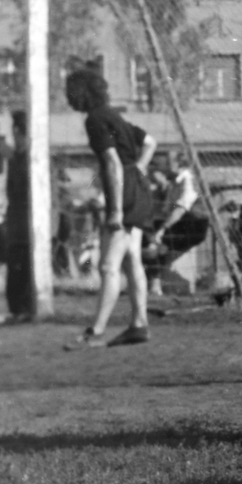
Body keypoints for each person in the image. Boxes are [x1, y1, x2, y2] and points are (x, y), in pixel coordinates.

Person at [63, 65, 156, 348]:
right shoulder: (116, 116)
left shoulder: (95, 120)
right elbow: (150, 141)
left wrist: (115, 210)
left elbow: (113, 164)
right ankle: (139, 324)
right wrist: (139, 168)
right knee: (131, 261)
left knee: (107, 266)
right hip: (138, 188)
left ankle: (97, 331)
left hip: (123, 192)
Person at [144, 150, 210, 298]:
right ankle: (154, 284)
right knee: (152, 239)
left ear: (179, 164)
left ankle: (154, 285)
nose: (163, 168)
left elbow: (179, 210)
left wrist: (161, 230)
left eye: (167, 163)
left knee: (158, 243)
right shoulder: (174, 182)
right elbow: (166, 210)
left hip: (195, 224)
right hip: (182, 222)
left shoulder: (188, 180)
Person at [2, 109, 36, 322]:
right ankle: (19, 309)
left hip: (25, 223)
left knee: (21, 267)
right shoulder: (19, 158)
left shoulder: (28, 160)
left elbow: (23, 188)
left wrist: (12, 159)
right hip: (18, 222)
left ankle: (23, 309)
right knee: (17, 265)